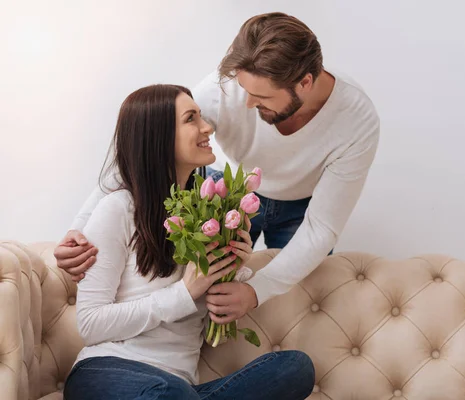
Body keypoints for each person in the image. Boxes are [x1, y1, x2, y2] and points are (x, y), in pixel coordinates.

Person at [54, 12, 379, 323]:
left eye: (260, 96)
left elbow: (321, 228)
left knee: (293, 308)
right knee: (199, 297)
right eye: (245, 90)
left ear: (304, 83)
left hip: (302, 206)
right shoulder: (225, 88)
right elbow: (146, 152)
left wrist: (255, 291)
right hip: (223, 189)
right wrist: (79, 228)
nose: (248, 103)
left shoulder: (356, 120)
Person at [63, 84, 315, 400]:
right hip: (108, 373)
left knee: (294, 367)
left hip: (179, 387)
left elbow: (211, 321)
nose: (207, 126)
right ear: (159, 136)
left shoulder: (208, 213)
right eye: (191, 118)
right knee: (169, 392)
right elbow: (90, 324)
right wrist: (184, 292)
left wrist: (235, 269)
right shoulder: (119, 208)